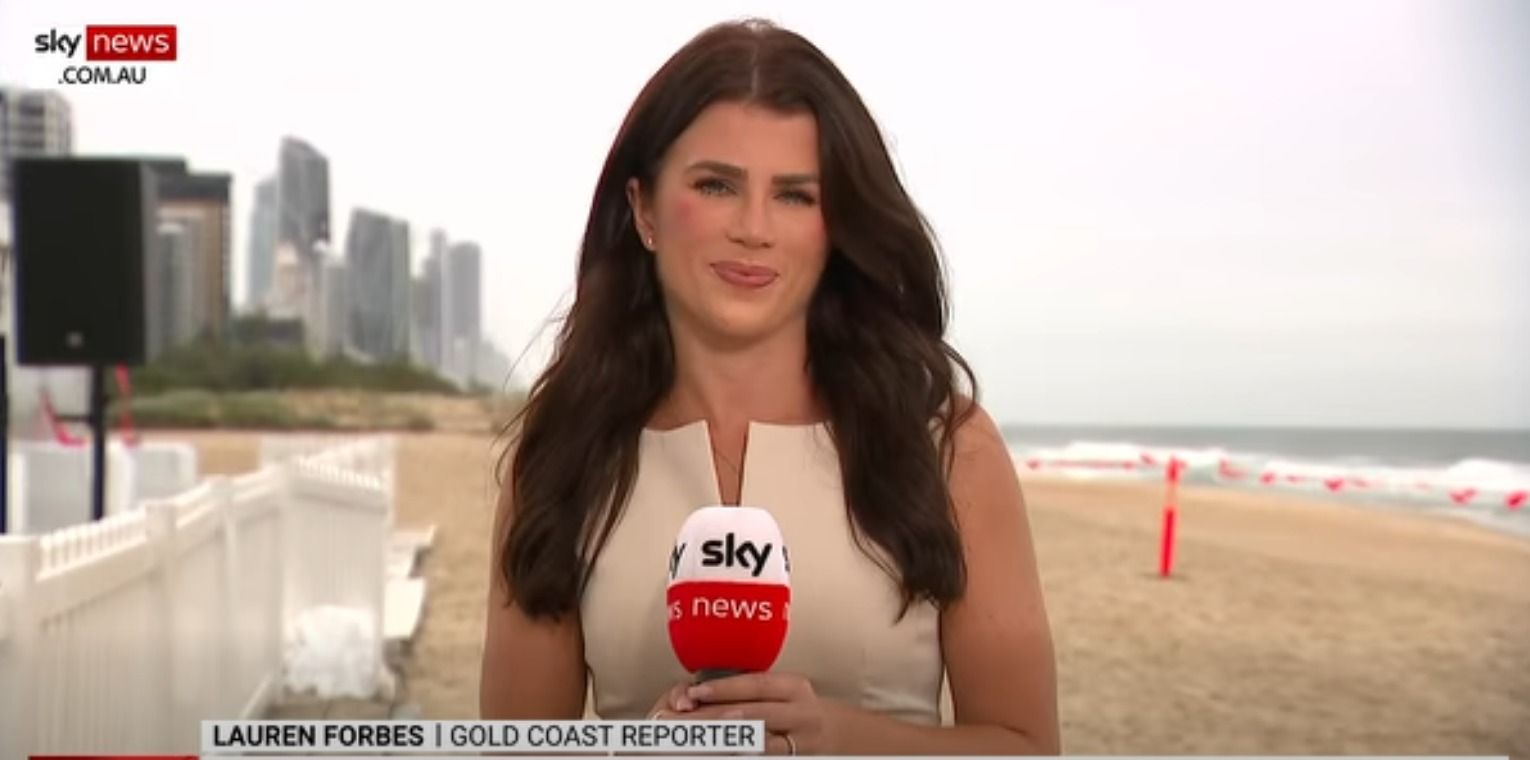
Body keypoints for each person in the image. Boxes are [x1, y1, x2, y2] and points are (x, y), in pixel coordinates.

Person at [480, 18, 1058, 755]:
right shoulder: (563, 459)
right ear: (645, 208)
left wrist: (838, 739)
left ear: (835, 224)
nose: (754, 229)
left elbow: (1027, 745)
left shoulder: (948, 447)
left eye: (795, 196)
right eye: (716, 185)